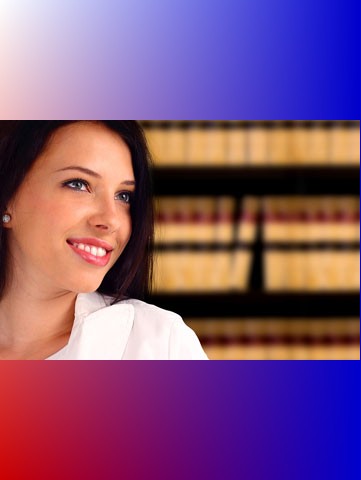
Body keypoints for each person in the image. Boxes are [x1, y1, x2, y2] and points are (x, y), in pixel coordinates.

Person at [0, 121, 208, 359]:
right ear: (7, 197)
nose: (111, 220)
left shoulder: (161, 345)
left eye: (124, 196)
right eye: (79, 184)